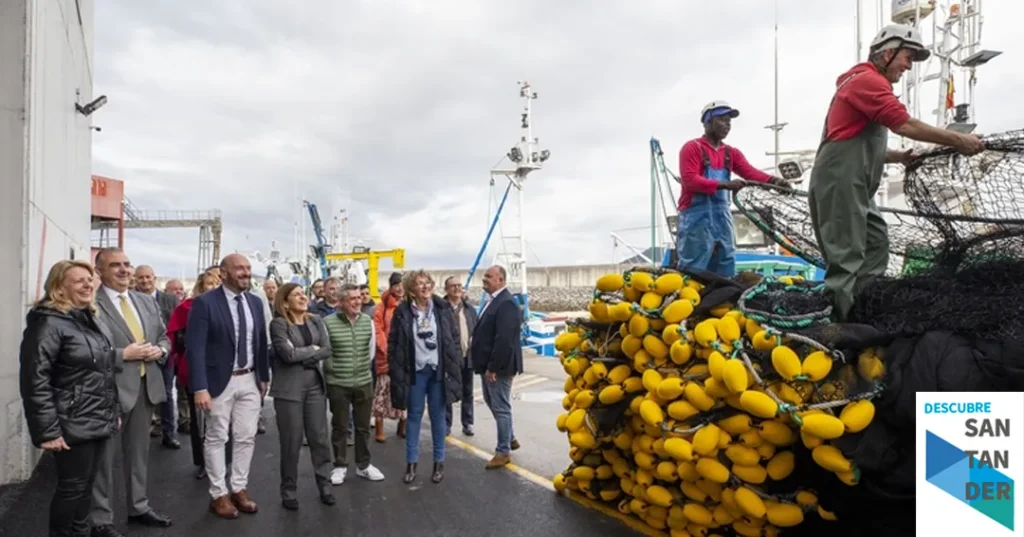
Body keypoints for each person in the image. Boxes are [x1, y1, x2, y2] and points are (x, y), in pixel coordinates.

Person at [808, 23, 985, 319]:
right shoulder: (866, 81)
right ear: (888, 53)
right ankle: (837, 328)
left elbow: (857, 143)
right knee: (847, 256)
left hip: (855, 186)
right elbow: (905, 124)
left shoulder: (866, 84)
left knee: (876, 241)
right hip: (841, 183)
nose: (908, 66)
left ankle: (861, 310)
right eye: (907, 57)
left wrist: (898, 156)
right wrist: (959, 140)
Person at [20, 260, 120, 537]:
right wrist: (48, 431)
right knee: (72, 487)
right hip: (70, 422)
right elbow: (34, 380)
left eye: (90, 280)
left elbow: (103, 372)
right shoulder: (48, 323)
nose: (88, 284)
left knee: (86, 486)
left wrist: (113, 412)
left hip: (96, 418)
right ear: (59, 288)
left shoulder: (88, 320)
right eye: (79, 281)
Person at [90, 249, 172, 536]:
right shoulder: (91, 304)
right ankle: (101, 519)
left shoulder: (143, 301)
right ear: (99, 271)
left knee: (139, 454)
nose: (125, 270)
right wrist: (123, 354)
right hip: (107, 391)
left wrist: (160, 350)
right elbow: (85, 350)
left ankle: (138, 506)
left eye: (127, 264)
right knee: (103, 459)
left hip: (144, 388)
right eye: (116, 266)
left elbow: (164, 336)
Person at [187, 254, 270, 519]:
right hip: (218, 381)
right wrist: (200, 386)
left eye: (248, 268)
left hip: (250, 378)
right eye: (239, 269)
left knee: (246, 436)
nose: (246, 273)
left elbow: (260, 342)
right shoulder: (204, 304)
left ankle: (239, 488)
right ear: (223, 273)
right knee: (217, 437)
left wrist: (264, 376)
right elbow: (195, 348)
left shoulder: (256, 303)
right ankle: (218, 494)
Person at [675, 101, 791, 277]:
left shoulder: (731, 153)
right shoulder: (692, 148)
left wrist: (775, 182)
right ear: (707, 122)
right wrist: (725, 185)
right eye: (722, 119)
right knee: (693, 271)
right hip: (695, 219)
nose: (727, 124)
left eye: (729, 121)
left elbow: (750, 172)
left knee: (725, 267)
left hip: (722, 218)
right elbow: (690, 180)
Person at [388, 270, 463, 484]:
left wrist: (455, 362)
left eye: (427, 282)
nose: (425, 287)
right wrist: (396, 370)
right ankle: (411, 463)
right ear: (411, 289)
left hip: (438, 371)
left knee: (438, 417)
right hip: (415, 372)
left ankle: (439, 462)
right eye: (420, 284)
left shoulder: (442, 309)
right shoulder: (403, 312)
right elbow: (394, 344)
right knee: (414, 417)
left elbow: (453, 339)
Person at [269, 283, 336, 509]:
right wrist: (313, 351)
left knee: (319, 438)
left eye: (303, 293)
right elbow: (286, 354)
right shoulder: (278, 324)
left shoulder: (315, 320)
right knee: (291, 442)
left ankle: (325, 484)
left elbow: (327, 349)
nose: (302, 297)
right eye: (296, 294)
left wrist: (306, 355)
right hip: (289, 389)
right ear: (285, 301)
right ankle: (288, 491)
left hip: (315, 385)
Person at [322, 284, 385, 485]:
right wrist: (332, 372)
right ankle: (339, 466)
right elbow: (324, 353)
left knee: (363, 427)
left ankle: (363, 465)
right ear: (341, 303)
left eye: (359, 298)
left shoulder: (367, 321)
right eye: (353, 299)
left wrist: (362, 371)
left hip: (363, 381)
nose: (358, 301)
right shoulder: (327, 323)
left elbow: (371, 352)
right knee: (340, 427)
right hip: (338, 382)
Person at [166, 271, 223, 480]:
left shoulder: (228, 307)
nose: (213, 286)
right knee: (199, 420)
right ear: (201, 285)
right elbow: (175, 337)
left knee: (222, 419)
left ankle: (222, 460)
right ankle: (202, 462)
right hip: (195, 369)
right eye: (209, 283)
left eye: (217, 283)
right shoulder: (187, 307)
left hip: (222, 370)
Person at [471, 265, 524, 469]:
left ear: (501, 280)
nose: (484, 279)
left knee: (501, 406)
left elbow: (504, 339)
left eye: (488, 276)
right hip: (490, 365)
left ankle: (503, 451)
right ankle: (509, 437)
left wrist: (494, 367)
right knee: (492, 401)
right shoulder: (494, 301)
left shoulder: (506, 303)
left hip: (499, 366)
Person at [371, 272, 407, 442]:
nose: (400, 288)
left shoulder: (410, 304)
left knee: (405, 391)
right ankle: (379, 427)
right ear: (391, 287)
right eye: (396, 285)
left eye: (402, 284)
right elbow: (377, 330)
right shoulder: (382, 306)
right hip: (386, 357)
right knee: (382, 392)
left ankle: (403, 424)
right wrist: (387, 350)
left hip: (406, 357)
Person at [443, 276, 478, 437]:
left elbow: (476, 330)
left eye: (459, 285)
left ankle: (468, 422)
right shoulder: (441, 309)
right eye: (453, 286)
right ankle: (446, 424)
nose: (457, 289)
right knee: (448, 392)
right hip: (449, 358)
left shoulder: (469, 309)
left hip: (467, 356)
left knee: (467, 391)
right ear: (447, 290)